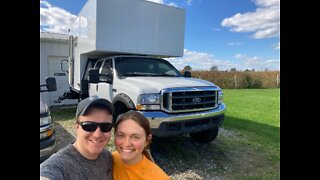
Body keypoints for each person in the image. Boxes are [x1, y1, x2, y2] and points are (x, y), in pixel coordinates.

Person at [40, 96, 114, 180]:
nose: (97, 134)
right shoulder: (59, 165)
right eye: (88, 126)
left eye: (106, 126)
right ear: (77, 127)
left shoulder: (107, 157)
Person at [112, 110, 170, 180]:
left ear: (147, 140)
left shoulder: (158, 177)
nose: (127, 143)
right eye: (121, 135)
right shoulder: (108, 160)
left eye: (135, 137)